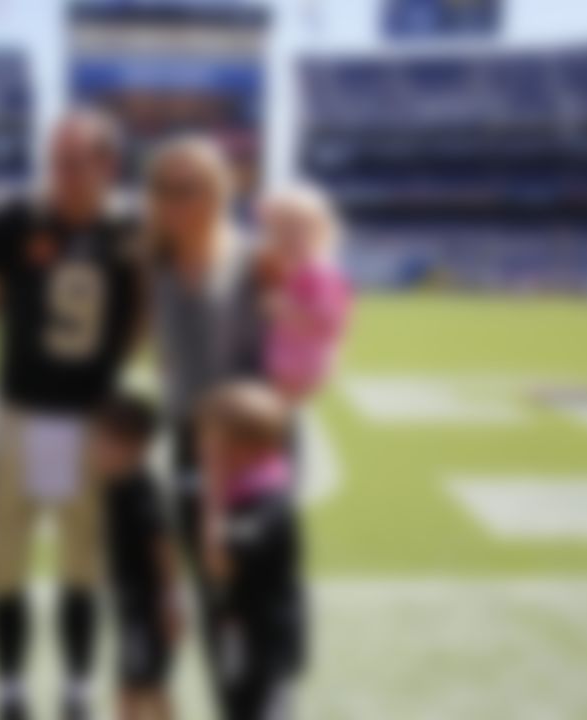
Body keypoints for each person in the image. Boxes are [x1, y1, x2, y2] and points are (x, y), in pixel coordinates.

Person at [0, 109, 145, 720]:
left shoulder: (133, 230)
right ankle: (9, 687)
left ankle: (78, 686)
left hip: (89, 420)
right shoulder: (12, 221)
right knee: (4, 565)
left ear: (108, 165)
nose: (57, 174)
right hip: (17, 412)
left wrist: (115, 377)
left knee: (82, 569)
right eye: (53, 160)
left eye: (73, 161)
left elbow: (143, 315)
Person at [144, 136, 262, 688]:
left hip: (245, 447)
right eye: (163, 189)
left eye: (189, 188)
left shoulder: (252, 260)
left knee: (249, 599)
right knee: (211, 601)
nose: (175, 201)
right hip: (185, 441)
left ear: (219, 192)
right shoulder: (152, 263)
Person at [198, 382, 307, 720]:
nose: (205, 448)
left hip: (266, 643)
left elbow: (219, 562)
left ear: (243, 448)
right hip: (240, 633)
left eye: (213, 439)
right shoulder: (244, 490)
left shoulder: (266, 503)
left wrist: (213, 498)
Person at [91, 393, 181, 720]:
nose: (95, 449)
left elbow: (164, 549)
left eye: (102, 442)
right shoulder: (113, 485)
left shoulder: (141, 493)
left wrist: (171, 603)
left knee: (140, 688)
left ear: (134, 447)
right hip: (132, 608)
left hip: (147, 611)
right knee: (141, 686)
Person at [256, 186, 351, 405]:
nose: (286, 237)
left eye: (296, 230)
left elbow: (329, 320)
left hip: (300, 363)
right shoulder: (294, 267)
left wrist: (282, 310)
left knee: (272, 414)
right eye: (278, 230)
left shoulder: (319, 271)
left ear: (321, 231)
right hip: (287, 358)